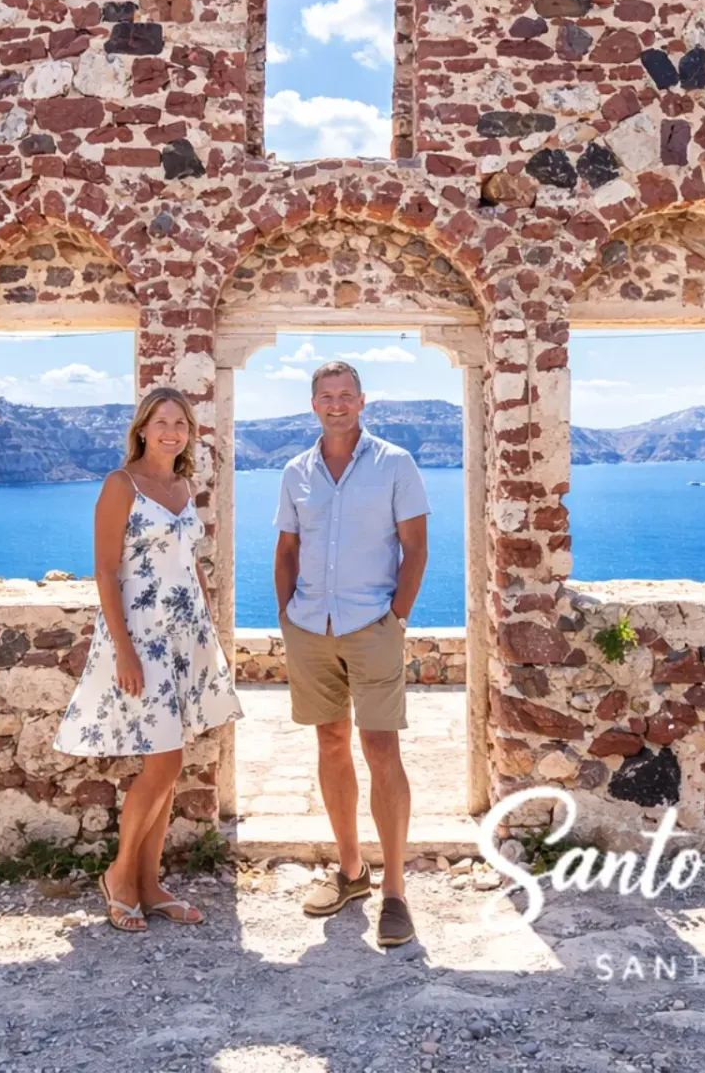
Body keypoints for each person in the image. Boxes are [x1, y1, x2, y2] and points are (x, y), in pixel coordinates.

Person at [54, 386, 243, 932]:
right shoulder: (121, 485)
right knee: (164, 759)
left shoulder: (182, 484)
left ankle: (151, 883)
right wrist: (124, 650)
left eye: (180, 423)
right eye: (161, 421)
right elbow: (106, 571)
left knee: (171, 758)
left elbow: (191, 566)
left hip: (186, 637)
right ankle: (120, 876)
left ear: (189, 433)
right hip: (141, 635)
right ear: (142, 428)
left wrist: (209, 634)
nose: (171, 430)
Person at [273, 361, 429, 948]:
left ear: (362, 400)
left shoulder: (395, 464)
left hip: (373, 623)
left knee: (381, 747)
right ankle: (351, 872)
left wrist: (398, 618)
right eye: (325, 396)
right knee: (329, 741)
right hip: (311, 625)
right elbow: (286, 548)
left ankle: (395, 893)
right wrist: (287, 615)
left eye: (345, 395)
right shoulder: (296, 471)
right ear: (313, 404)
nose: (336, 404)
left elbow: (415, 548)